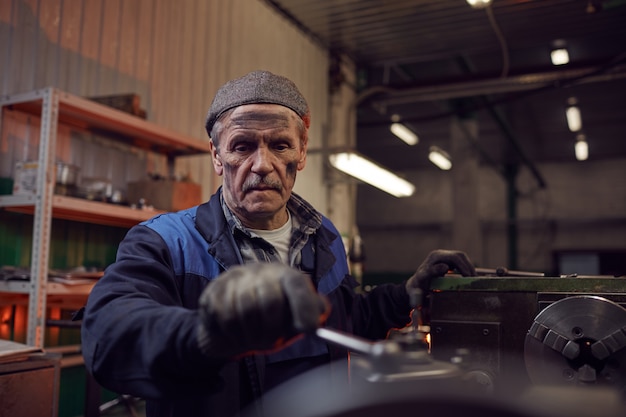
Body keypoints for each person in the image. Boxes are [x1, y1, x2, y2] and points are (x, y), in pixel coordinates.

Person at [80, 70, 476, 417]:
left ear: (301, 152)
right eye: (242, 146)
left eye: (280, 145)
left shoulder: (325, 237)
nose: (262, 163)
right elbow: (110, 334)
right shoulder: (165, 241)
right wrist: (209, 333)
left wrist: (404, 296)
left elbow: (343, 319)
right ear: (217, 157)